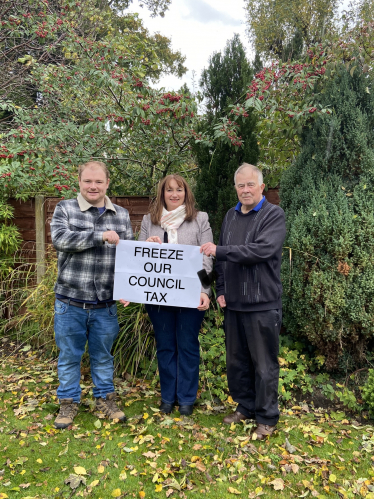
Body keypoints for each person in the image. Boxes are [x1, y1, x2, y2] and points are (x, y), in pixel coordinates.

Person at [200, 163, 286, 439]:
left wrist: (221, 250)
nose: (245, 190)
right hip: (234, 302)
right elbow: (221, 260)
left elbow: (261, 250)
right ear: (235, 188)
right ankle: (245, 406)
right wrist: (222, 288)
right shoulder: (230, 215)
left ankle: (267, 417)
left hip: (262, 303)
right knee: (237, 362)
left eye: (251, 185)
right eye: (241, 185)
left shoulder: (274, 214)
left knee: (264, 364)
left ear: (262, 187)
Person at [50, 161, 133, 429]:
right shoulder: (65, 208)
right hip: (70, 301)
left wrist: (128, 287)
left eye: (98, 181)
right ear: (79, 182)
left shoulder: (121, 214)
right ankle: (68, 403)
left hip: (105, 304)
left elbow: (128, 255)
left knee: (103, 356)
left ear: (108, 183)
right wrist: (99, 236)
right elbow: (60, 240)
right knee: (69, 356)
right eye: (88, 181)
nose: (93, 186)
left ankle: (105, 399)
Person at [137, 174, 213, 416]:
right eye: (169, 190)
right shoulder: (150, 221)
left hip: (191, 294)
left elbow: (207, 258)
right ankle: (168, 398)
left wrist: (204, 290)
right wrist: (148, 245)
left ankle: (187, 399)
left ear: (186, 193)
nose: (174, 194)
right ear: (162, 194)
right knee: (166, 346)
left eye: (178, 189)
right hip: (159, 296)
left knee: (188, 346)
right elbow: (139, 258)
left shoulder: (200, 219)